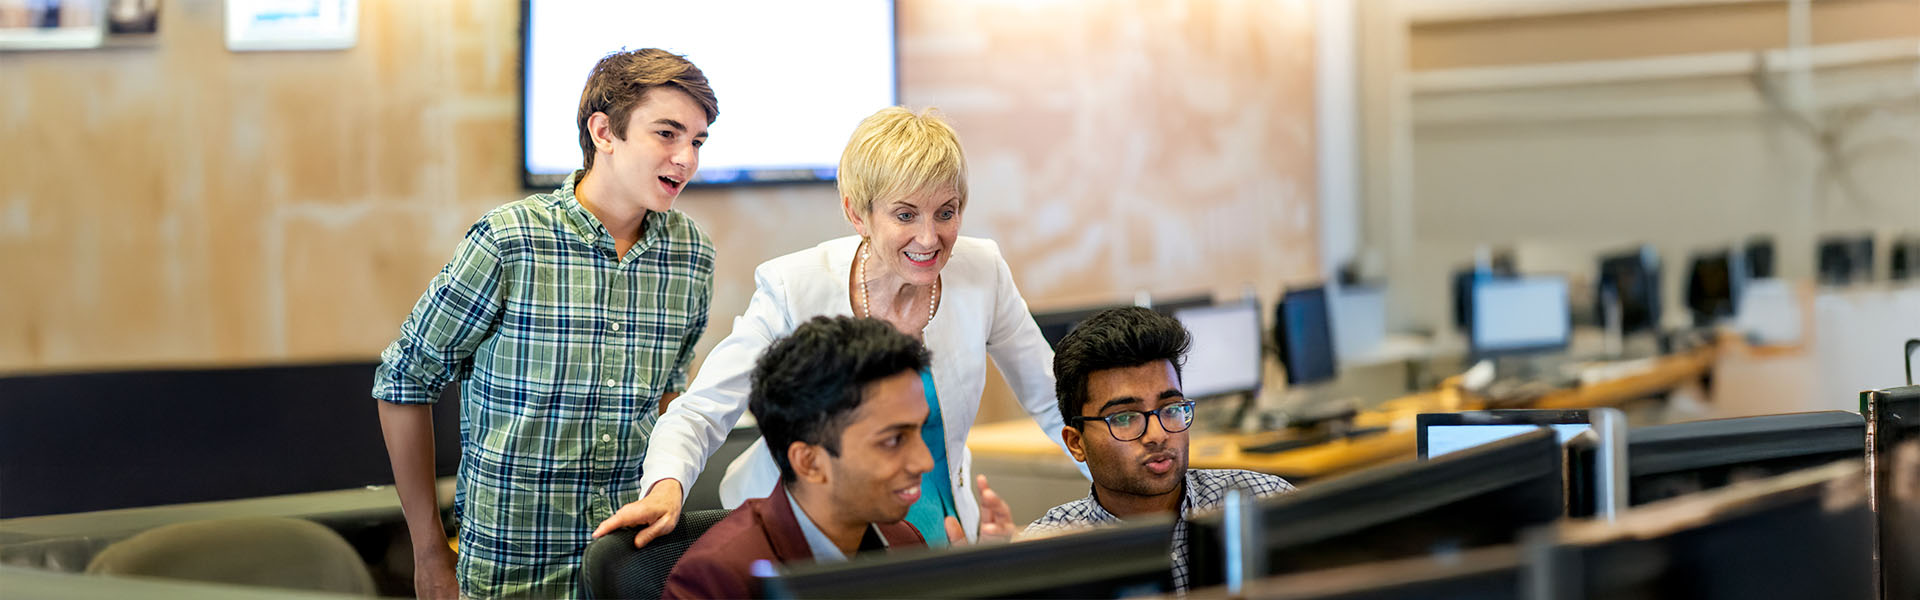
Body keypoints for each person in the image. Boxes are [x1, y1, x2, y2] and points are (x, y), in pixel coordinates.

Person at [595, 106, 1071, 550]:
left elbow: (1054, 400)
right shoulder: (793, 286)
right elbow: (701, 411)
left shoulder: (981, 269)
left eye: (946, 212)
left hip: (937, 524)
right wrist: (665, 486)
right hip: (801, 530)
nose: (930, 238)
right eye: (905, 214)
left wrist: (1125, 487)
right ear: (856, 213)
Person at [373, 48, 718, 599]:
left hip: (629, 564)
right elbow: (402, 382)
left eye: (697, 141)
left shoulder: (691, 253)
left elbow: (668, 400)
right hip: (511, 573)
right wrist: (430, 552)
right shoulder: (510, 241)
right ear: (604, 131)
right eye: (668, 134)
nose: (686, 159)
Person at [665, 316, 964, 598]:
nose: (924, 462)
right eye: (893, 440)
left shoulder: (904, 541)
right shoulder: (718, 580)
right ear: (809, 462)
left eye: (919, 431)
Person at [1022, 307, 1295, 592]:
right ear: (1076, 443)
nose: (1158, 434)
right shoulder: (1052, 550)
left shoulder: (1265, 501)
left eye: (1171, 409)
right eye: (1125, 418)